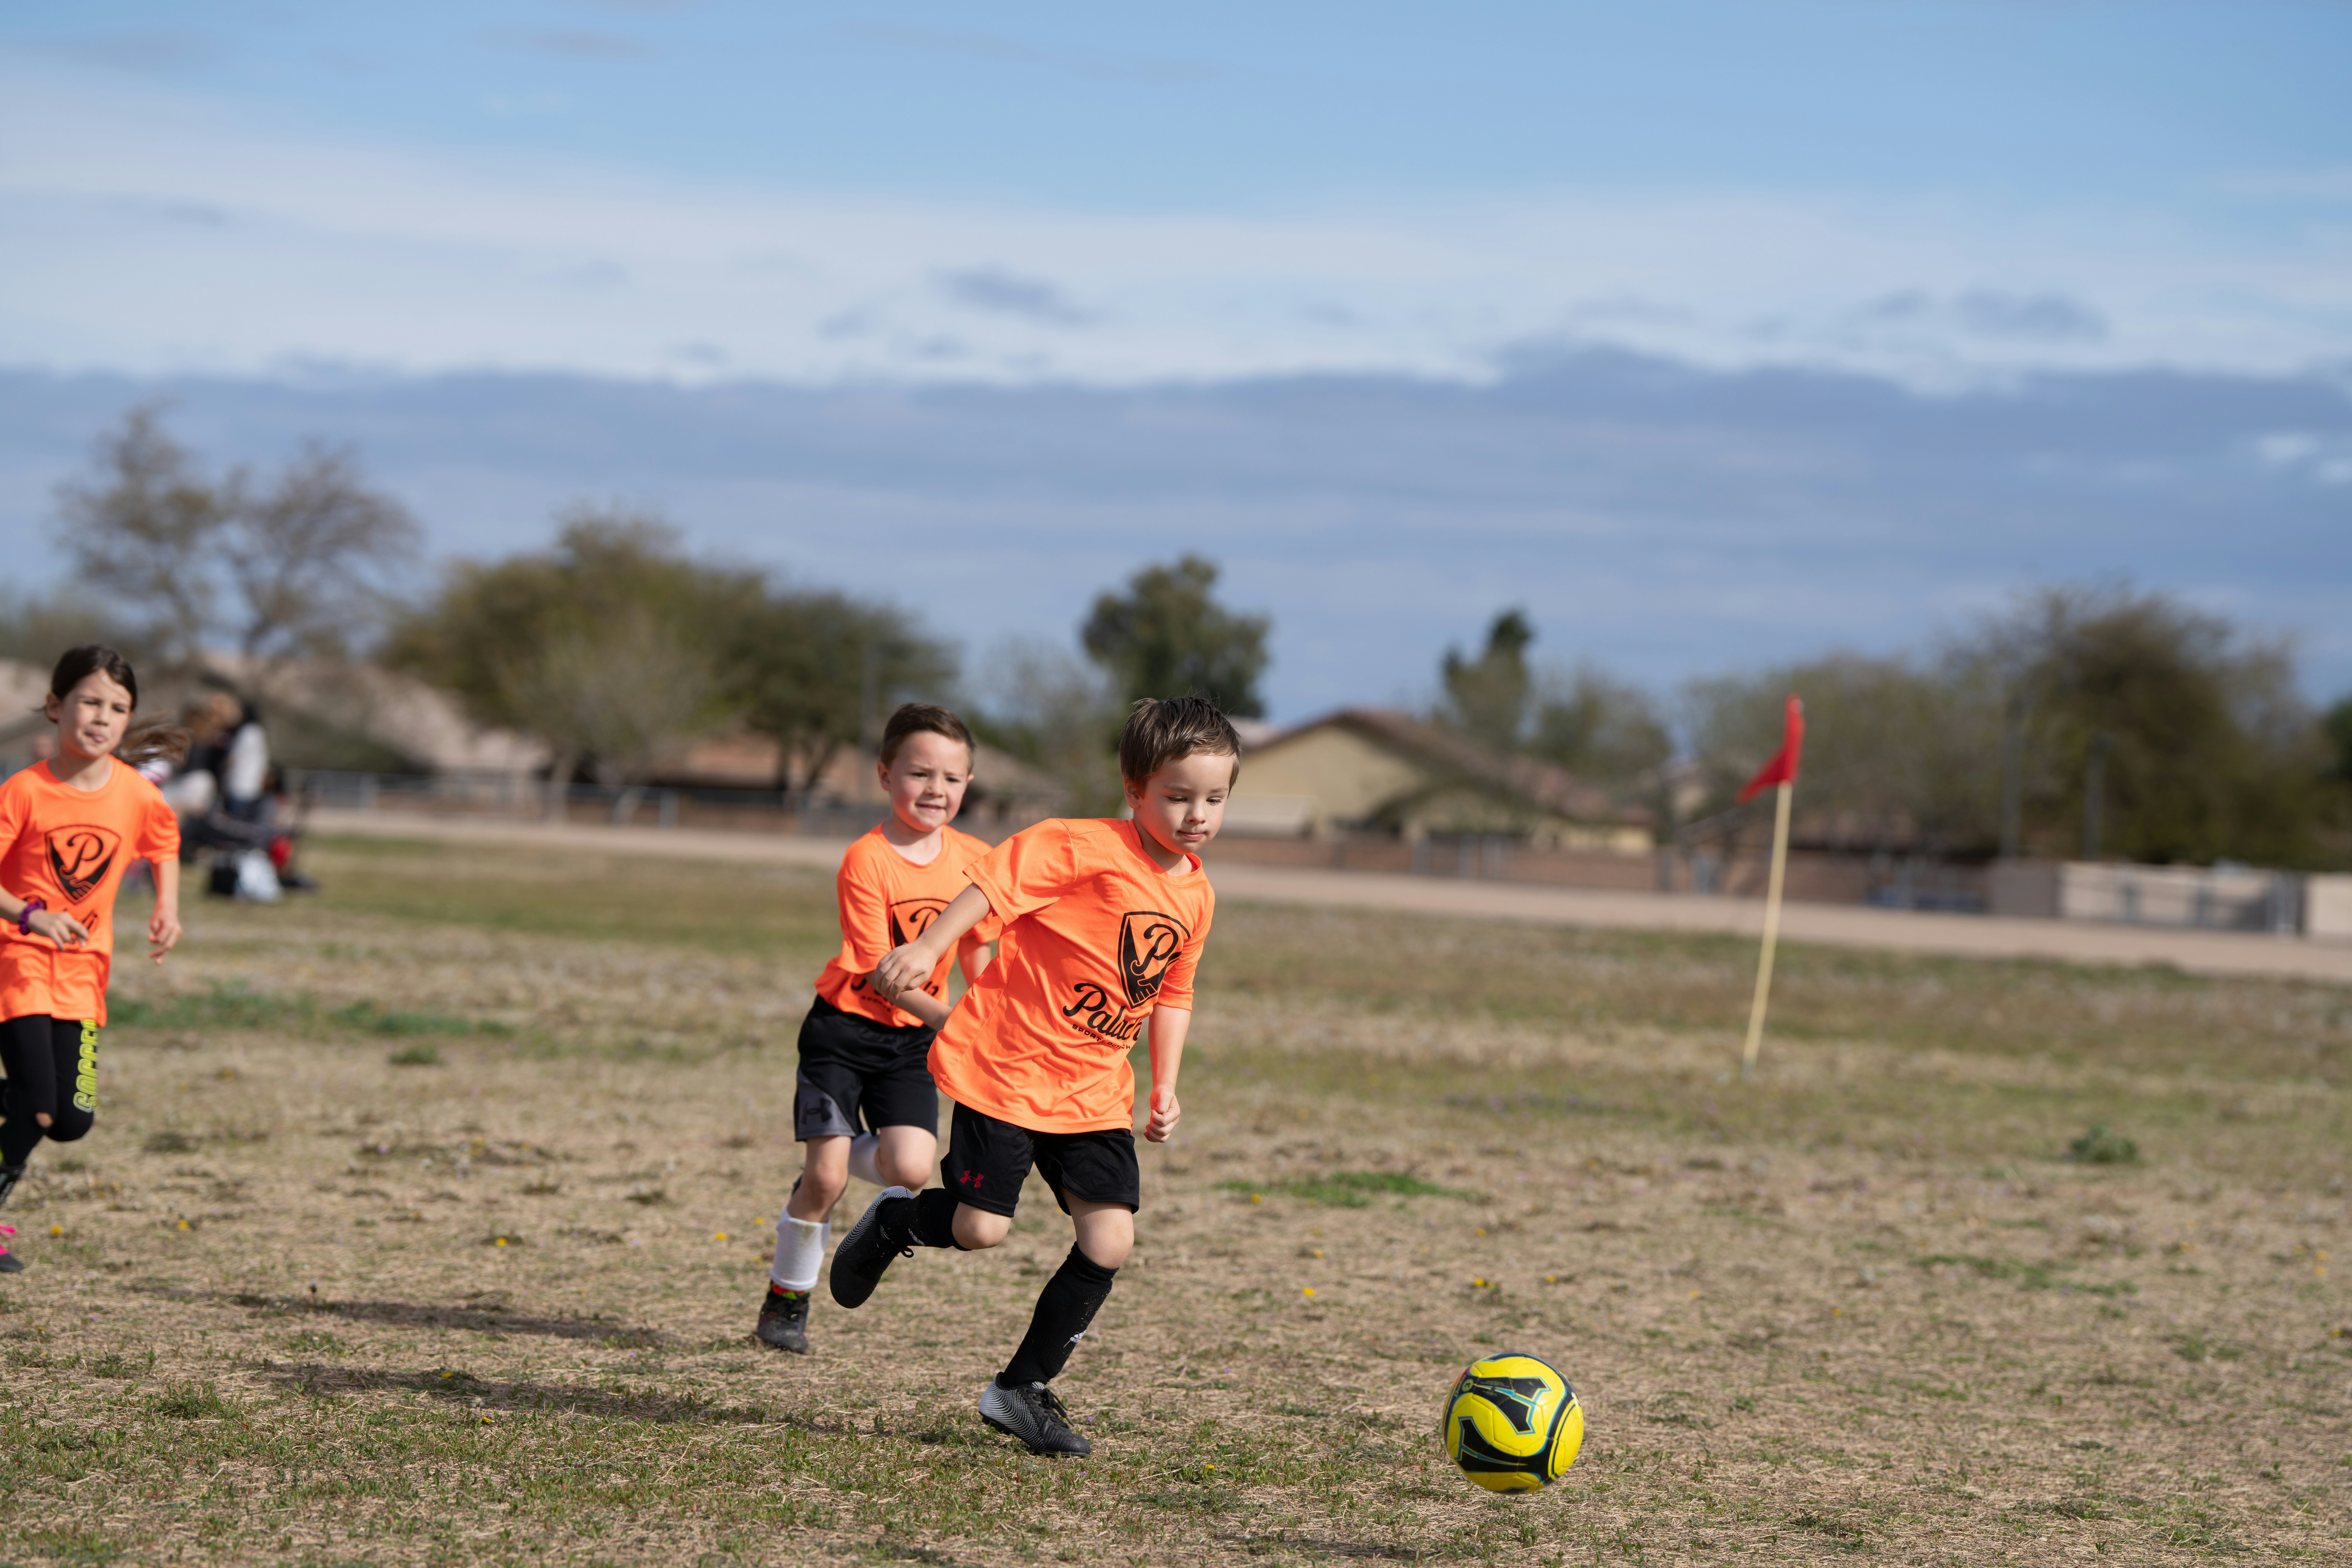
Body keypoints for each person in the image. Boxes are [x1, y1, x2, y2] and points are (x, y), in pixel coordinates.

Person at [831, 696, 1237, 1456]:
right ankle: (894, 1221)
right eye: (1177, 796)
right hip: (1008, 1069)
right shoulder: (1078, 845)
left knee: (1112, 1238)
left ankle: (1019, 1390)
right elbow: (993, 888)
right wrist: (929, 948)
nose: (1196, 815)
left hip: (1093, 1091)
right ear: (1135, 790)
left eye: (1214, 799)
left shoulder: (1197, 892)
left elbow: (1174, 991)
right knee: (982, 1229)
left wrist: (1164, 1083)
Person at [755, 703, 1001, 1354]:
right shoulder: (866, 859)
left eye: (951, 778)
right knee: (828, 1181)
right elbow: (878, 971)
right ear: (886, 774)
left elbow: (979, 950)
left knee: (913, 1168)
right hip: (845, 1031)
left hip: (912, 1043)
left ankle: (831, 1157)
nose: (935, 791)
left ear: (969, 784)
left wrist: (989, 1014)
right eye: (919, 774)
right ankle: (787, 1299)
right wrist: (958, 1023)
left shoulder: (979, 860)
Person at [0, 646, 186, 1274]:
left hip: (84, 974)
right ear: (56, 707)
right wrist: (31, 916)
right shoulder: (24, 792)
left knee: (70, 1122)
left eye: (118, 708)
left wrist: (168, 906)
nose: (102, 718)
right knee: (38, 1103)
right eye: (89, 701)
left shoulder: (135, 794)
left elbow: (164, 840)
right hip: (19, 961)